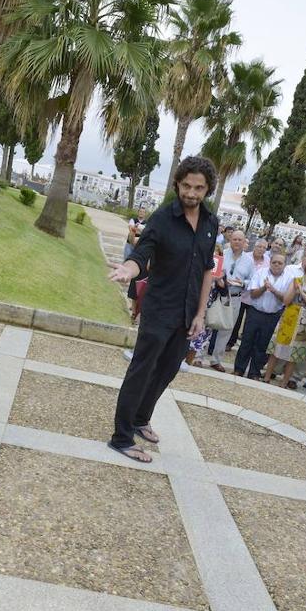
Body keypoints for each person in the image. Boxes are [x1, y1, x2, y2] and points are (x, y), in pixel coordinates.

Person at [108, 156, 220, 463]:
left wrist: (200, 314)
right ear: (177, 184)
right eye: (186, 186)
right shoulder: (162, 219)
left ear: (207, 189)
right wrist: (130, 268)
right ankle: (121, 438)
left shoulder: (210, 223)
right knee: (142, 371)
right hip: (159, 309)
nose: (191, 193)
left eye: (198, 188)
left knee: (168, 370)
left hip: (188, 314)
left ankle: (141, 418)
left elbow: (207, 270)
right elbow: (142, 252)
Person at [233, 249, 292, 379]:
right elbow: (253, 294)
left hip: (273, 315)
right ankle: (239, 369)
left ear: (285, 265)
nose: (277, 265)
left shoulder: (289, 278)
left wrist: (273, 290)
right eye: (274, 262)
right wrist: (264, 288)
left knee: (262, 345)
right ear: (270, 262)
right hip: (255, 312)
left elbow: (286, 299)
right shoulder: (260, 273)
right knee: (247, 341)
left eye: (280, 263)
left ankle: (254, 372)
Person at [267, 259, 306, 388]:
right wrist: (295, 290)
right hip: (289, 316)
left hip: (304, 321)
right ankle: (267, 376)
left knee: (294, 354)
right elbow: (286, 301)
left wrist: (302, 293)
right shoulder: (296, 280)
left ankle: (284, 382)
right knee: (277, 347)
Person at [203, 230, 253, 372]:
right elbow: (211, 271)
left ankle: (216, 359)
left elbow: (252, 280)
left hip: (235, 296)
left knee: (226, 328)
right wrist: (219, 278)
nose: (237, 242)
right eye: (234, 239)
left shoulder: (249, 261)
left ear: (244, 242)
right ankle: (198, 356)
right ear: (230, 240)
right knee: (207, 324)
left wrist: (243, 283)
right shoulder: (221, 254)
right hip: (216, 293)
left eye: (240, 240)